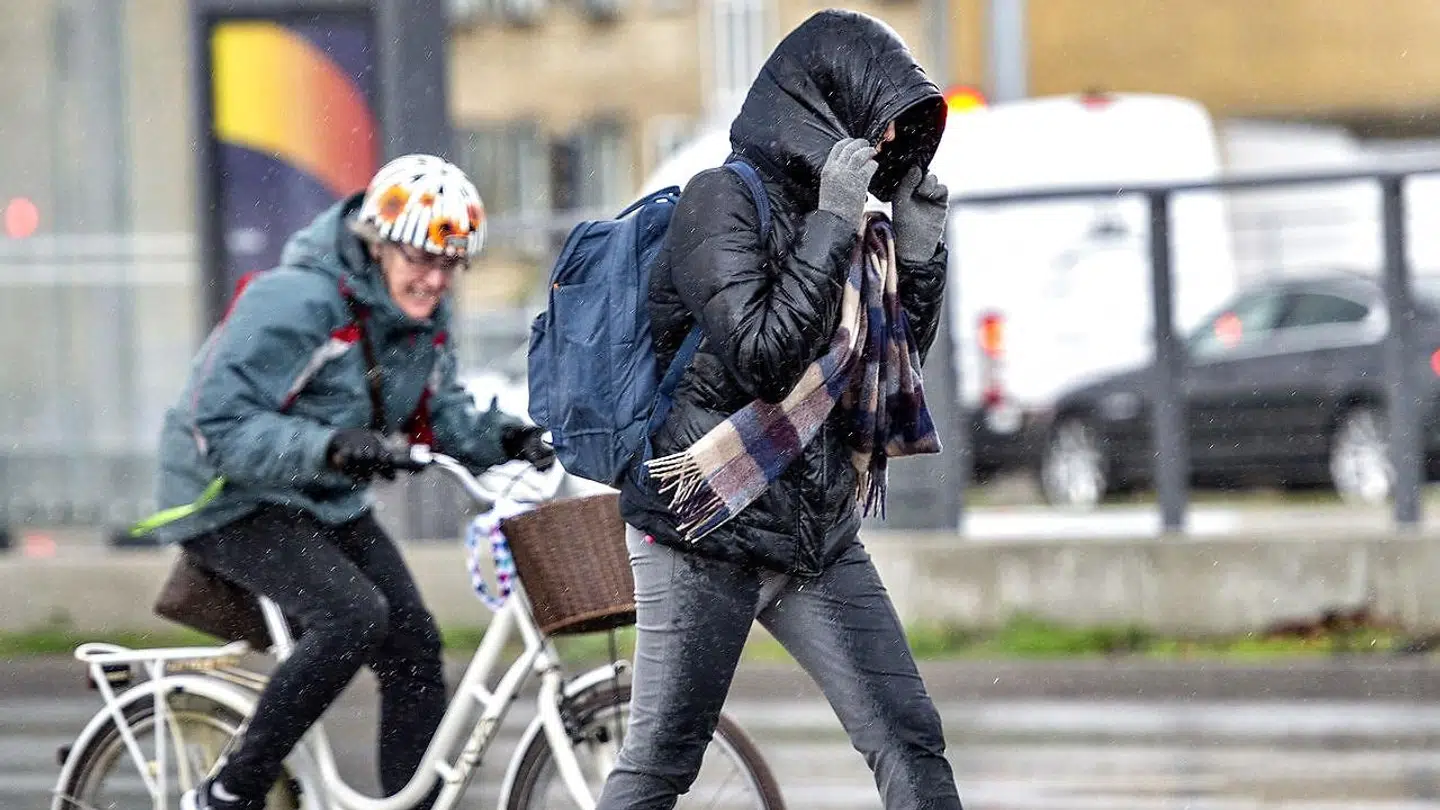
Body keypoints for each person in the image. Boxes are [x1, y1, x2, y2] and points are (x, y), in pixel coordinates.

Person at [606, 9, 962, 810]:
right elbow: (764, 358)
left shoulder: (846, 221)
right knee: (662, 764)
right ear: (823, 110)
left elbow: (887, 364)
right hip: (707, 532)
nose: (887, 145)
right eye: (877, 124)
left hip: (816, 531)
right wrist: (832, 222)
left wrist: (916, 255)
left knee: (909, 735)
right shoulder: (718, 202)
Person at [146, 154, 555, 810]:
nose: (435, 279)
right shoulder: (297, 299)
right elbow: (217, 424)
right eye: (421, 258)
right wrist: (331, 445)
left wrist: (507, 438)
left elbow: (438, 414)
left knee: (415, 646)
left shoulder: (421, 317)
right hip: (225, 494)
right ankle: (228, 792)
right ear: (377, 243)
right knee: (352, 615)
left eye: (451, 264)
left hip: (319, 496)